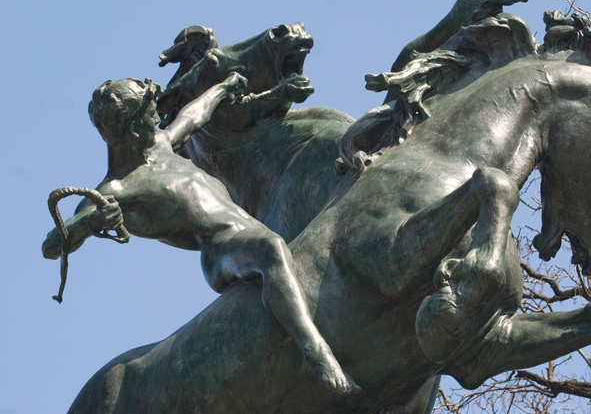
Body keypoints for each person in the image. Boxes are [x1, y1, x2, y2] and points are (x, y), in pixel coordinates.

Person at [42, 73, 360, 395]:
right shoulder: (117, 188)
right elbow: (53, 245)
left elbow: (193, 116)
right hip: (219, 248)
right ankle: (316, 354)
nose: (158, 114)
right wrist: (93, 221)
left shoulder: (162, 146)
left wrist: (223, 87)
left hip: (250, 231)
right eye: (150, 111)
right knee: (270, 246)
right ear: (134, 128)